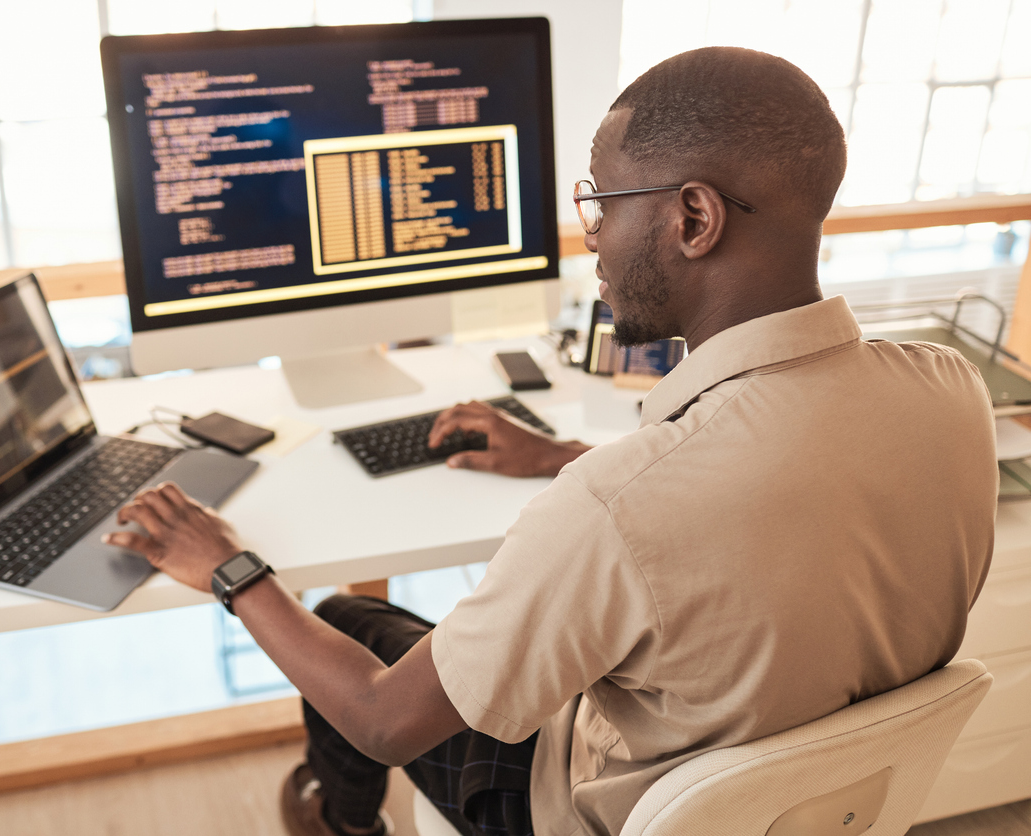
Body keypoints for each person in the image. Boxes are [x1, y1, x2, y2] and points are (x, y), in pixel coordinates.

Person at [104, 47, 997, 836]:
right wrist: (558, 457)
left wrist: (228, 563)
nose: (592, 237)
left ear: (693, 219)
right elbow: (762, 496)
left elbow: (380, 720)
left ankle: (338, 821)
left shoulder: (616, 506)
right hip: (816, 801)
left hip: (588, 809)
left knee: (343, 620)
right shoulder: (950, 390)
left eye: (602, 203)